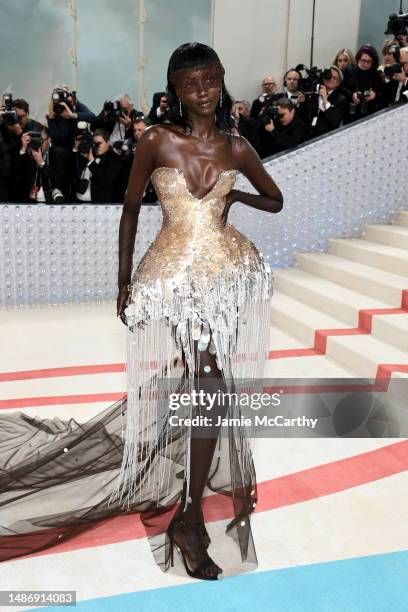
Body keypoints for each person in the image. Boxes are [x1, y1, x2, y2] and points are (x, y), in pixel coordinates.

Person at [0, 43, 283, 582]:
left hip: (223, 274)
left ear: (221, 81)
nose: (201, 90)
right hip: (172, 277)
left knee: (211, 385)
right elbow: (130, 211)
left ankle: (190, 512)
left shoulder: (238, 147)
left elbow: (275, 199)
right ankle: (191, 519)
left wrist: (236, 201)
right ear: (175, 89)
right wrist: (123, 282)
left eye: (210, 80)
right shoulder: (157, 139)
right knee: (210, 382)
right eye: (190, 82)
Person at [14, 127, 70, 202]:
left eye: (41, 141)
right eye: (35, 141)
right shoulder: (29, 151)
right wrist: (23, 148)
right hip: (31, 199)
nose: (38, 144)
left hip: (52, 198)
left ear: (49, 139)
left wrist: (41, 162)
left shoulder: (59, 153)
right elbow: (17, 173)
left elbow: (59, 179)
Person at [73, 128, 122, 202]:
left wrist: (91, 162)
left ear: (108, 143)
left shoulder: (114, 159)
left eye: (99, 144)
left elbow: (104, 182)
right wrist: (77, 148)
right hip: (77, 202)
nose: (96, 146)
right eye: (94, 144)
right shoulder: (88, 154)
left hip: (98, 205)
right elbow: (72, 174)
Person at [298, 66, 348, 138]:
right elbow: (302, 116)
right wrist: (300, 103)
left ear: (338, 83)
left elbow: (335, 122)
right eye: (329, 76)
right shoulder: (312, 94)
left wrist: (325, 100)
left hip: (326, 137)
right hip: (307, 136)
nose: (330, 79)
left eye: (334, 78)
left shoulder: (341, 99)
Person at [46, 85, 96, 150]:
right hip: (62, 152)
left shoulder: (75, 104)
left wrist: (73, 115)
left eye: (64, 95)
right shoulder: (52, 114)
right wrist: (64, 117)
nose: (62, 100)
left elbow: (92, 117)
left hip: (79, 148)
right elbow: (58, 139)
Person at [343, 44, 384, 122]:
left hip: (369, 113)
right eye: (363, 60)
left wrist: (374, 95)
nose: (365, 64)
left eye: (369, 61)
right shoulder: (349, 70)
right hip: (350, 112)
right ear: (358, 58)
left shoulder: (375, 74)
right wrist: (352, 95)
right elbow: (341, 88)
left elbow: (382, 92)